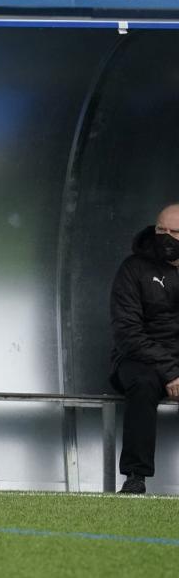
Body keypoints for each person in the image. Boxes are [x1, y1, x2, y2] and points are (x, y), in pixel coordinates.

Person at [110, 204, 179, 495]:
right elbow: (128, 332)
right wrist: (171, 372)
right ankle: (136, 477)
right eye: (161, 229)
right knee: (142, 383)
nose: (165, 237)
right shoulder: (133, 268)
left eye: (174, 232)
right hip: (140, 358)